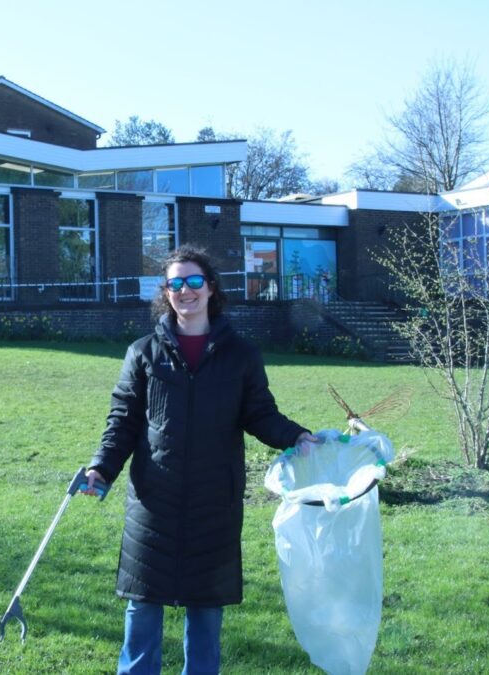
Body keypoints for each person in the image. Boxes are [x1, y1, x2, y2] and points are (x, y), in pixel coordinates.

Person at [83, 244, 319, 674]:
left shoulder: (241, 355)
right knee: (143, 608)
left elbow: (259, 413)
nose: (185, 291)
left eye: (194, 282)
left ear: (210, 288)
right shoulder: (143, 353)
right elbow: (123, 420)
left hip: (215, 500)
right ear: (166, 293)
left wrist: (297, 436)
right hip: (153, 499)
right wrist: (102, 466)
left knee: (206, 612)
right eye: (175, 284)